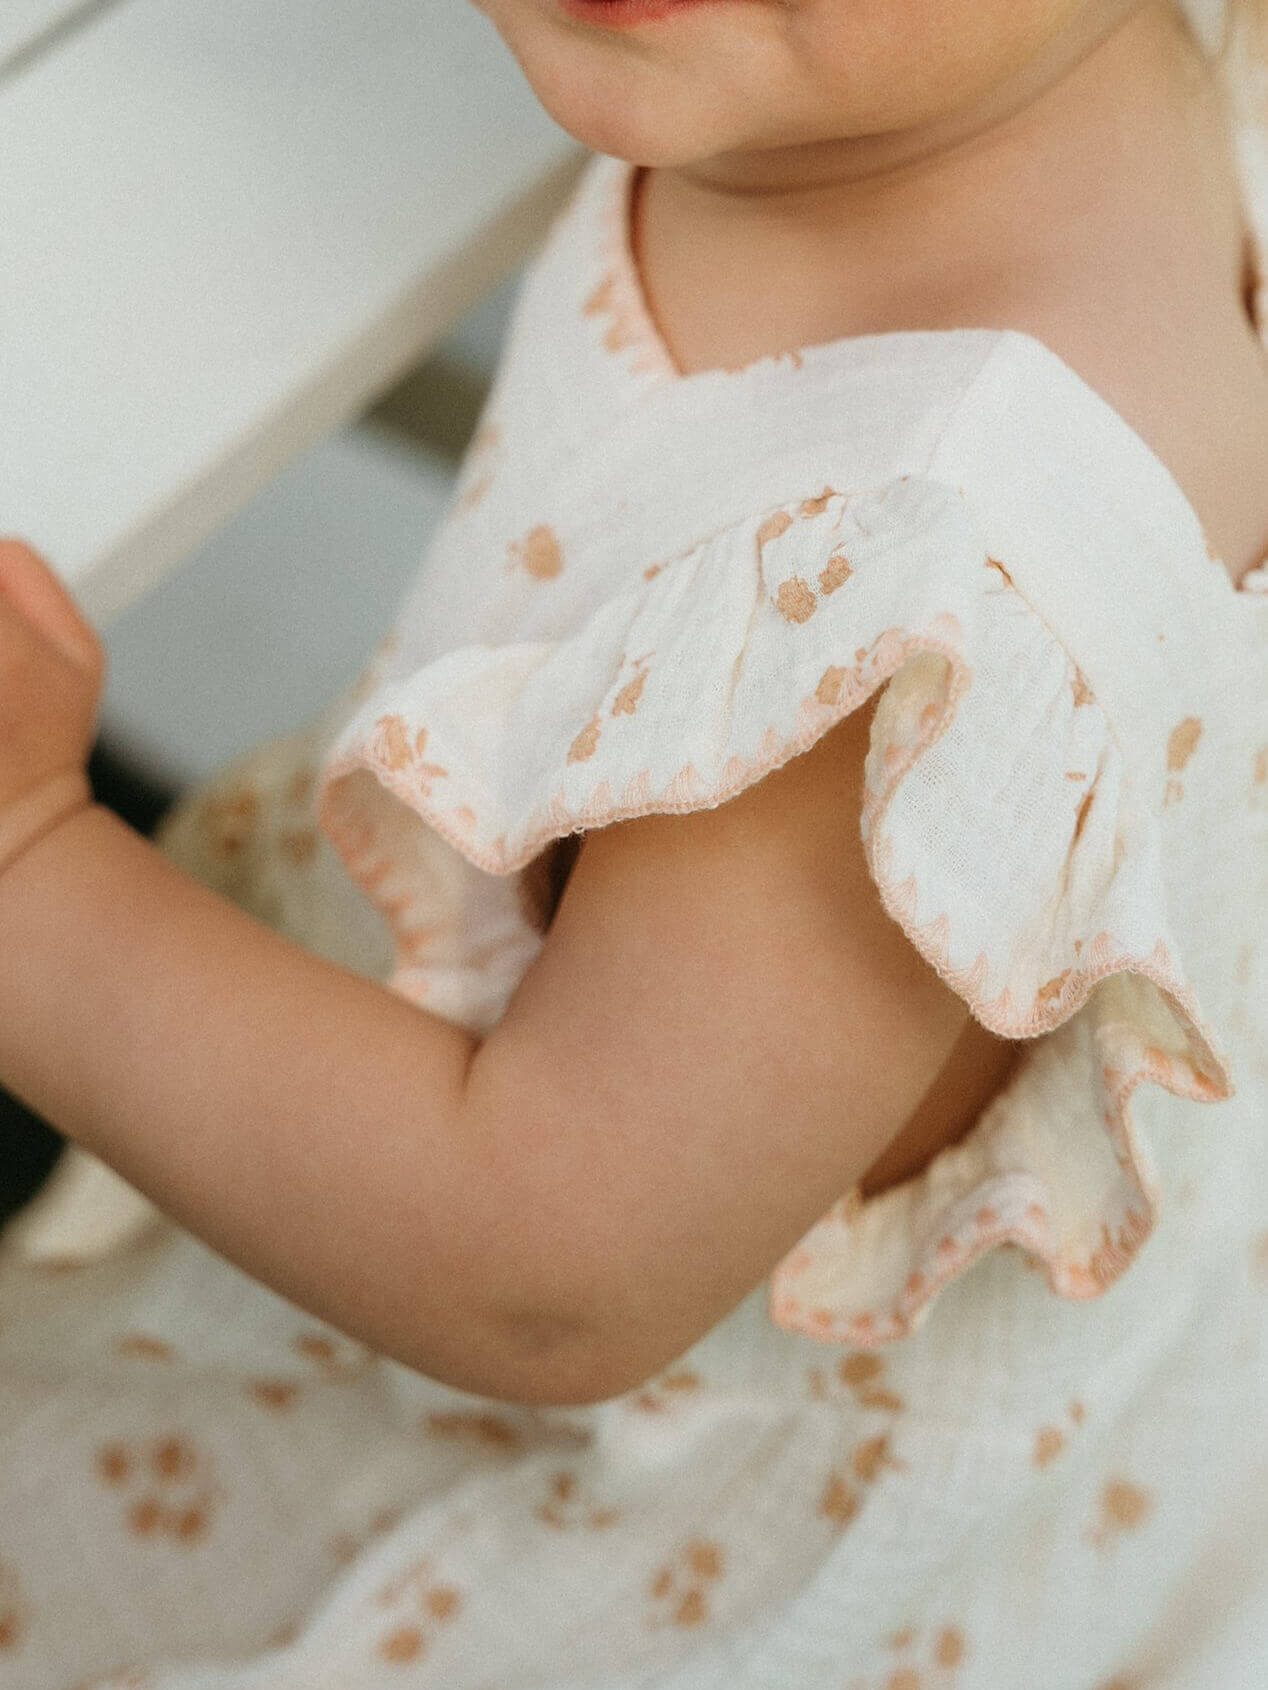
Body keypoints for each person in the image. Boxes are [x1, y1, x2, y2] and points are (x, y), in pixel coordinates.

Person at [0, 0, 1265, 1682]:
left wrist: (23, 859)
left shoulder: (925, 578)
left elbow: (537, 1261)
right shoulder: (901, 94)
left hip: (541, 1478)